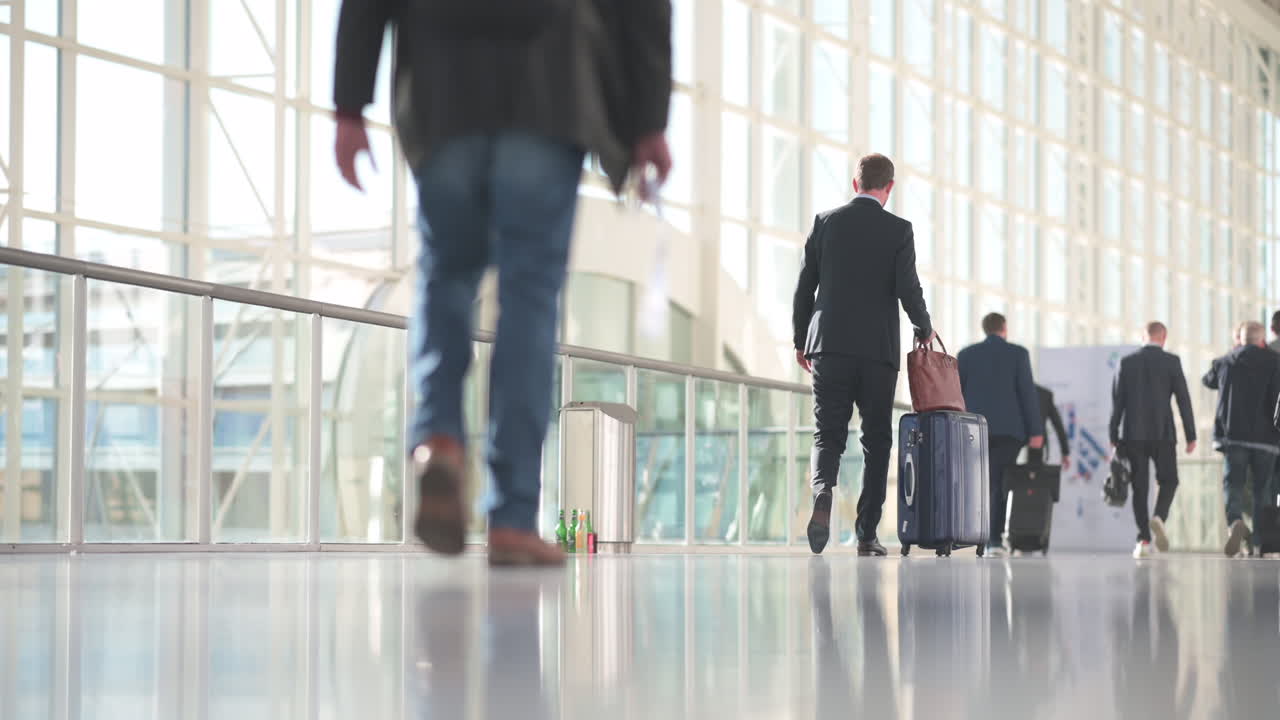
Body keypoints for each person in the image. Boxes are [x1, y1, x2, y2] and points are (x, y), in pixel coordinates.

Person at [333, 1, 673, 566]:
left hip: (442, 79)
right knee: (529, 298)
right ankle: (512, 515)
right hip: (549, 78)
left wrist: (349, 105)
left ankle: (439, 437)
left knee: (445, 274)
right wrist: (648, 120)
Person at [791, 153, 933, 556]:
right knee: (876, 440)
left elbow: (805, 288)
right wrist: (923, 326)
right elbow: (908, 287)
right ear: (889, 188)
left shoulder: (825, 223)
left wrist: (802, 340)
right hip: (877, 351)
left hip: (830, 347)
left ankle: (823, 492)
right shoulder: (898, 230)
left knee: (827, 432)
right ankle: (867, 533)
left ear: (855, 184)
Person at [957, 313, 1044, 557]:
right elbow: (1027, 394)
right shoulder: (1018, 354)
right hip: (1009, 431)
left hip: (974, 428)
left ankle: (976, 535)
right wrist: (1036, 431)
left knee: (979, 482)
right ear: (1004, 328)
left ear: (985, 329)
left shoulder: (966, 355)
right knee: (1000, 482)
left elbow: (957, 394)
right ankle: (994, 540)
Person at [1108, 322, 1197, 558]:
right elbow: (1183, 400)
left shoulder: (1127, 363)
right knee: (1169, 480)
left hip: (1133, 435)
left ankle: (1144, 540)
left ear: (1143, 336)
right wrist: (1191, 435)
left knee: (1140, 488)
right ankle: (1159, 517)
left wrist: (1113, 435)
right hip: (1163, 433)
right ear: (1163, 337)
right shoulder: (1171, 362)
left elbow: (1117, 402)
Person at [1203, 321, 1280, 557]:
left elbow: (1208, 380)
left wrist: (1233, 350)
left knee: (1233, 484)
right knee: (1262, 491)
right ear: (1261, 339)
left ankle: (1235, 521)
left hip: (1233, 436)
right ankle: (1259, 543)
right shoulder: (1274, 361)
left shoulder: (1227, 361)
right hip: (1266, 439)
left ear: (1240, 339)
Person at [1027, 384, 1070, 469]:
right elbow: (1058, 424)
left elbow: (1058, 424)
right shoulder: (1044, 394)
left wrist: (1065, 451)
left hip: (1016, 444)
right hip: (1036, 444)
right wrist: (1065, 452)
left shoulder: (1009, 392)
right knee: (1035, 478)